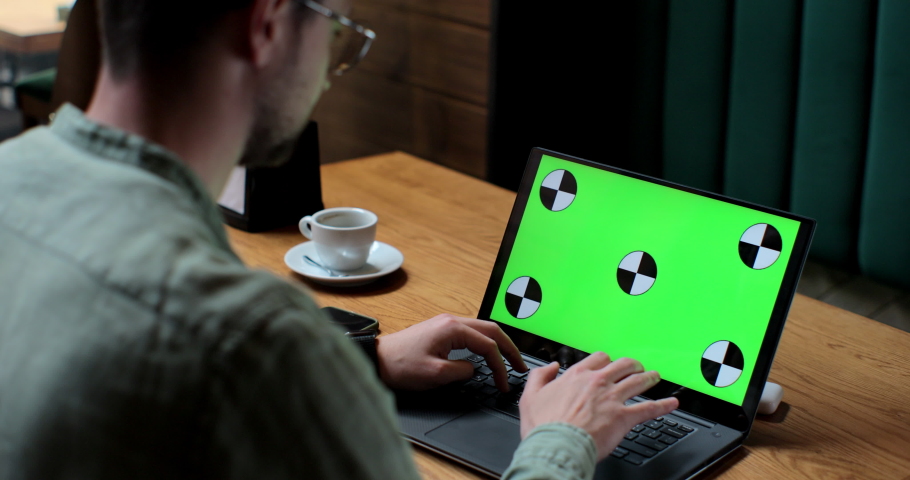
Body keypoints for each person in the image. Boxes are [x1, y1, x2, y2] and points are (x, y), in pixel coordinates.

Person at [0, 0, 679, 478]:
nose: (330, 64)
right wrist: (562, 440)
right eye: (335, 33)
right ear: (266, 22)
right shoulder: (251, 338)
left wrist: (364, 358)